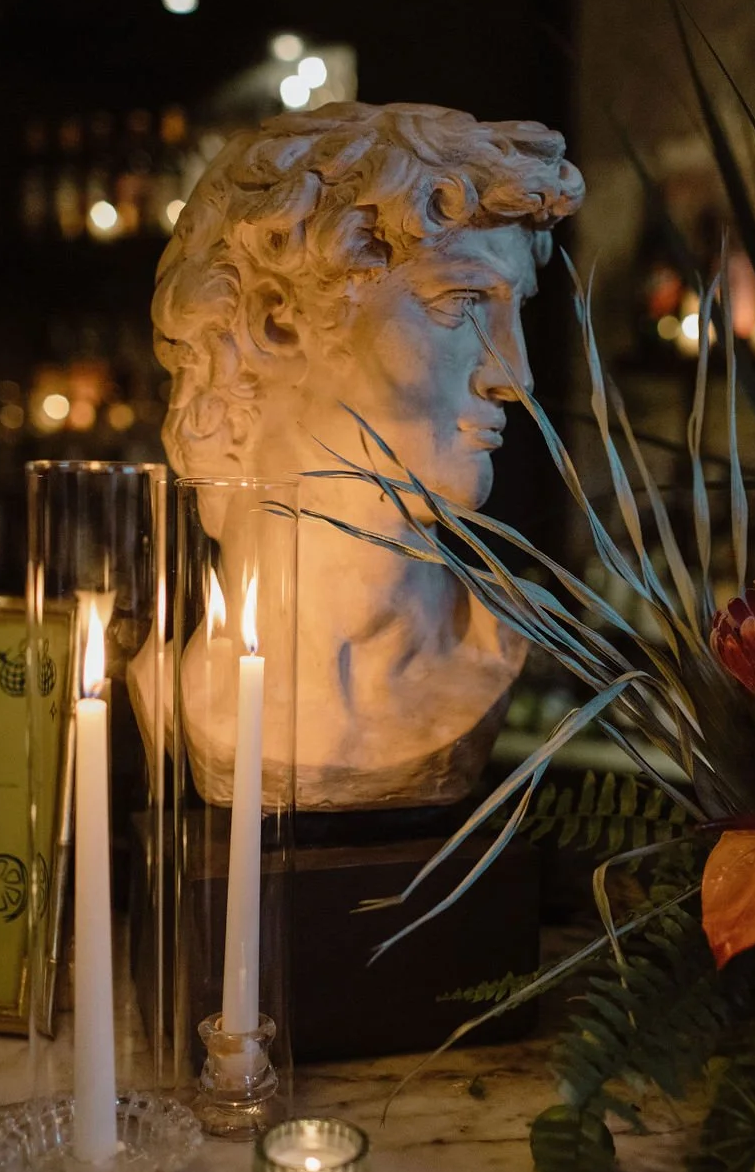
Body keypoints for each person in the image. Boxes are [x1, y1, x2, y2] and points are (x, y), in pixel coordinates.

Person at [153, 101, 584, 810]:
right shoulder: (160, 684)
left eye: (516, 312)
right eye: (464, 301)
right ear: (276, 320)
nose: (516, 376)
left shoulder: (496, 651)